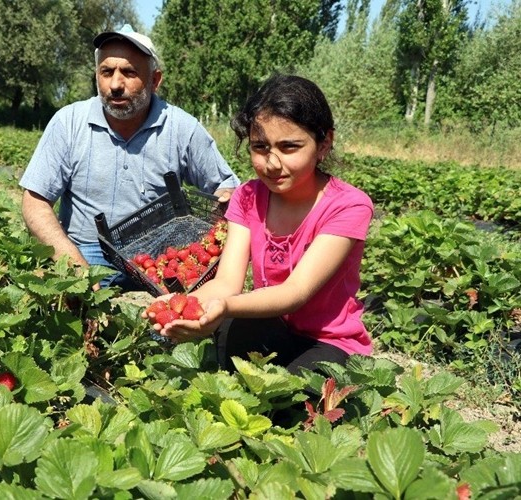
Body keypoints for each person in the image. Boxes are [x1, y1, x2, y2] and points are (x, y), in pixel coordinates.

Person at [146, 74, 374, 375]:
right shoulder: (247, 197)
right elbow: (227, 282)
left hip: (329, 341)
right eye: (260, 147)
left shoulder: (348, 205)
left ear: (323, 144)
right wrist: (179, 303)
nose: (272, 162)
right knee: (233, 329)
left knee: (295, 399)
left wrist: (225, 306)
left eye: (289, 147)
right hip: (272, 327)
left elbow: (296, 292)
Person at [19, 24, 240, 289]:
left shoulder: (182, 128)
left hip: (160, 260)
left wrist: (224, 201)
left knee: (165, 327)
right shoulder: (69, 123)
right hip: (87, 253)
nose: (115, 85)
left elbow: (226, 187)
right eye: (106, 72)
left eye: (129, 72)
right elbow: (35, 202)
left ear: (155, 80)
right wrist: (74, 267)